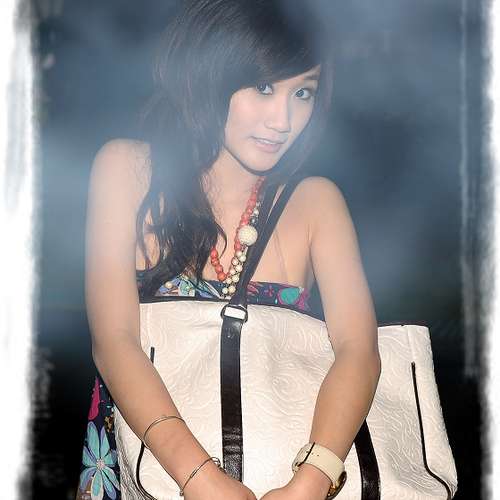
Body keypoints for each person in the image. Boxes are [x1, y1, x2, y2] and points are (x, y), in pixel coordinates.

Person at [76, 0, 381, 499]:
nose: (283, 120)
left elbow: (359, 351)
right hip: (146, 475)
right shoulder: (127, 170)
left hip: (285, 480)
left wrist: (312, 480)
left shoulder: (315, 202)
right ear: (209, 73)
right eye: (264, 88)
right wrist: (201, 479)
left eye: (303, 92)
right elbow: (113, 340)